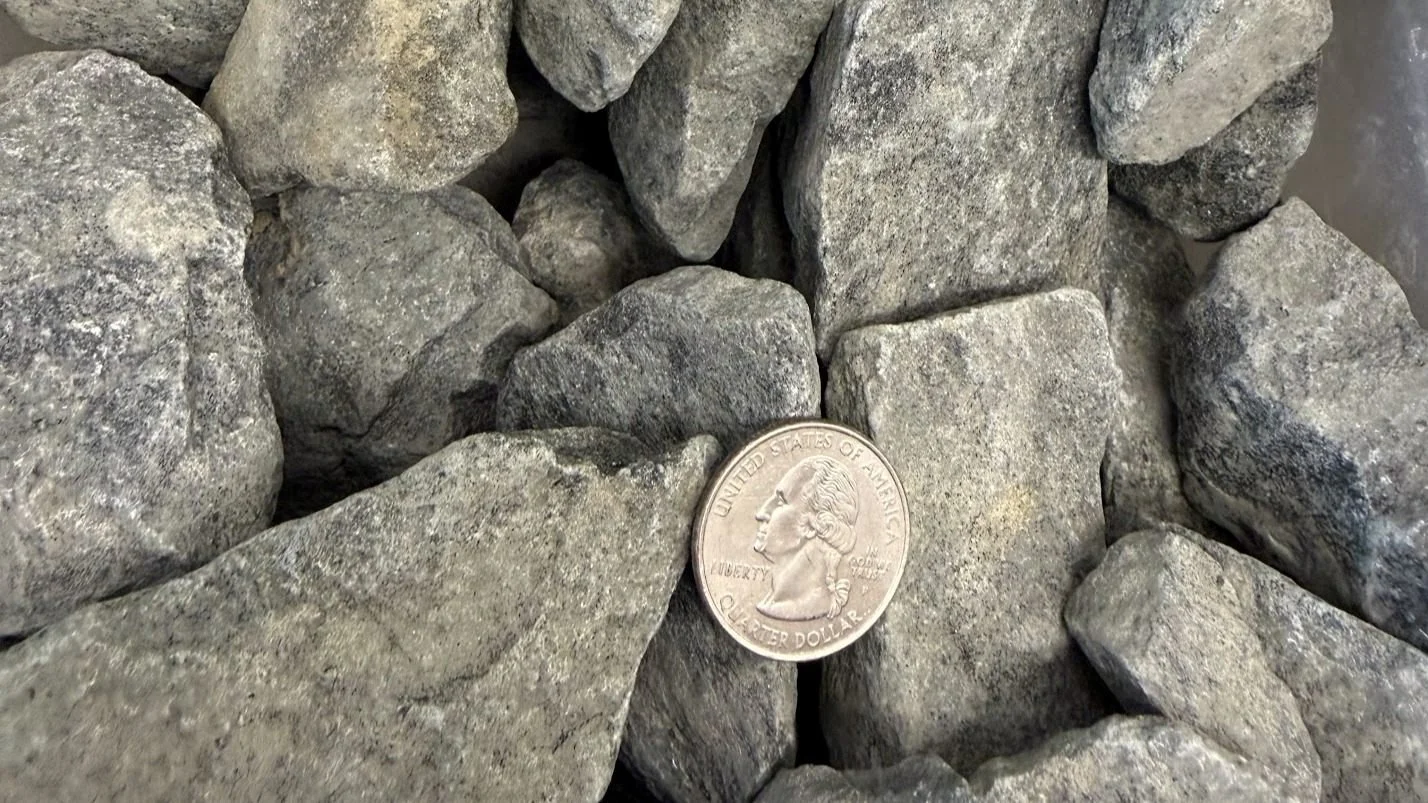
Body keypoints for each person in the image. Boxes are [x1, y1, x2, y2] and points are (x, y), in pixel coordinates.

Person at [752, 455, 860, 621]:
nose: (761, 513)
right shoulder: (772, 603)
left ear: (811, 526)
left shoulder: (802, 606)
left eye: (781, 502)